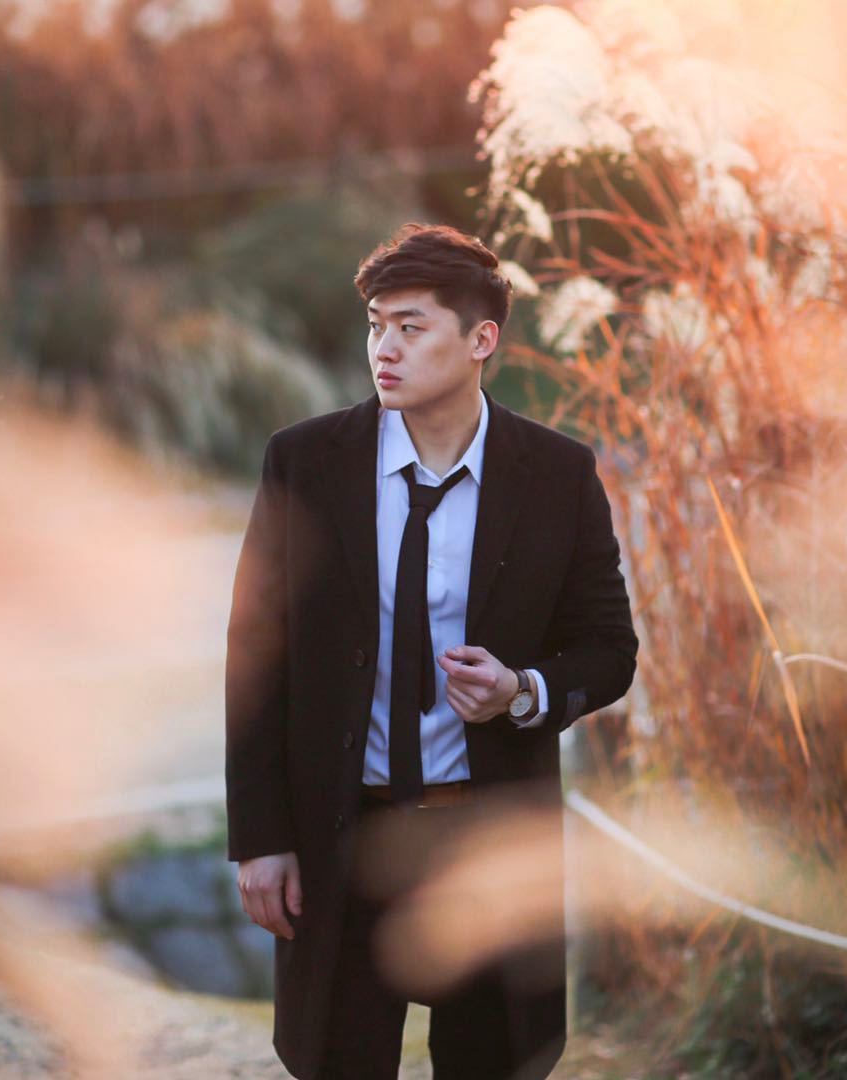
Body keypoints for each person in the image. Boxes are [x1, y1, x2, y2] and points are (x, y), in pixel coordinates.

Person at [225, 223, 638, 1080]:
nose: (385, 349)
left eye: (411, 328)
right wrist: (260, 837)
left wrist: (522, 689)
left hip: (489, 843)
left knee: (492, 1065)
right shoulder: (304, 463)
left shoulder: (558, 475)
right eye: (377, 325)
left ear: (481, 339)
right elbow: (256, 657)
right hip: (344, 837)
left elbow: (608, 649)